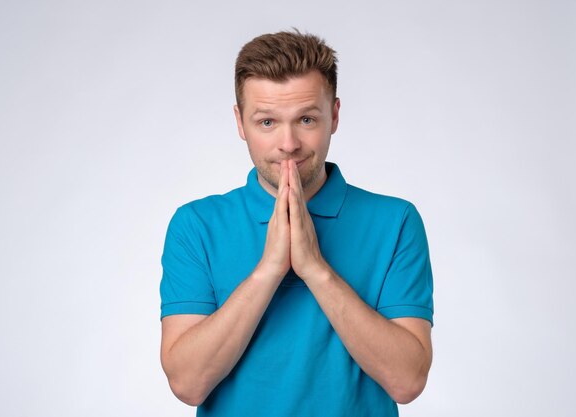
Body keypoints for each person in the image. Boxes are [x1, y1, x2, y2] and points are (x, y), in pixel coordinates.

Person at [159, 30, 434, 417]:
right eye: (267, 122)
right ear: (240, 122)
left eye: (306, 119)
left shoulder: (396, 221)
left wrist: (315, 270)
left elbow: (408, 381)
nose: (288, 143)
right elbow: (187, 384)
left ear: (334, 115)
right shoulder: (196, 225)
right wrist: (269, 270)